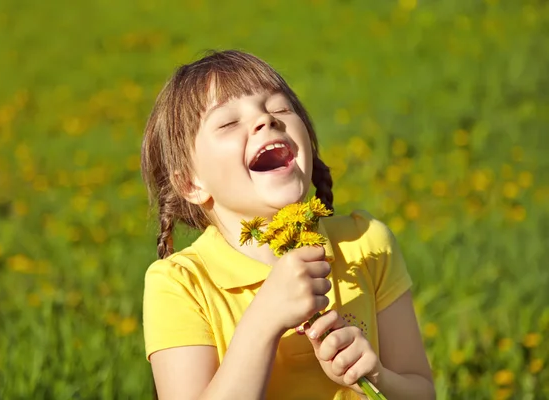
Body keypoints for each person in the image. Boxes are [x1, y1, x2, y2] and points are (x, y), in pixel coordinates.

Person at [141, 50, 435, 400]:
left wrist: (375, 376)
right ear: (191, 183)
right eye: (228, 122)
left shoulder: (367, 243)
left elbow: (421, 392)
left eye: (279, 108)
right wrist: (264, 320)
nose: (266, 120)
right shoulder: (179, 285)